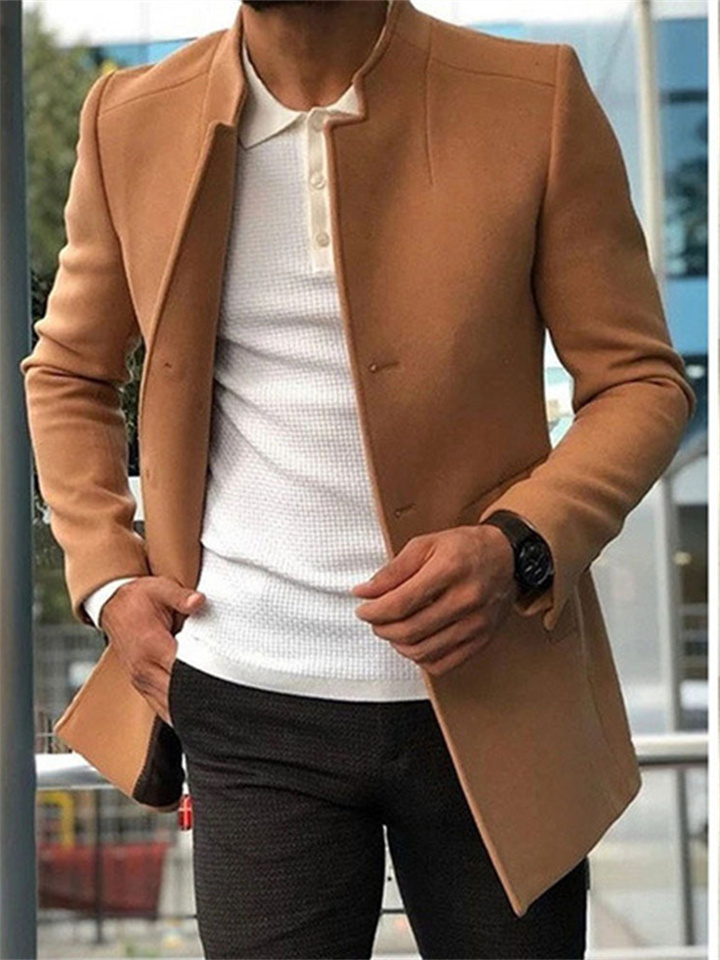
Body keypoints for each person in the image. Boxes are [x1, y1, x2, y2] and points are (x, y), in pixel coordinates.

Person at [20, 1, 696, 958]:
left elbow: (639, 383)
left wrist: (517, 547)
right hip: (245, 700)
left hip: (494, 698)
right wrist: (108, 582)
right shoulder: (130, 115)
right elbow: (67, 373)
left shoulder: (533, 97)